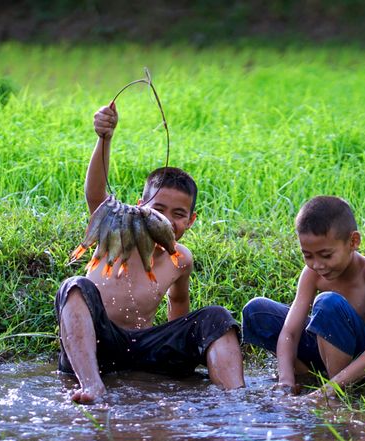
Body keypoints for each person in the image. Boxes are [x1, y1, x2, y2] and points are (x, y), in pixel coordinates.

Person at [56, 102, 245, 403]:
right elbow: (95, 194)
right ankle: (91, 384)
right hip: (99, 345)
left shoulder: (180, 258)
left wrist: (179, 343)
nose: (167, 220)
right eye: (158, 209)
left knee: (216, 317)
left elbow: (179, 306)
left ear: (191, 220)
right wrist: (104, 138)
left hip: (143, 349)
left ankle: (235, 398)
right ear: (138, 207)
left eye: (178, 213)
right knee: (74, 286)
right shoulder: (120, 231)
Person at [242, 195, 365, 401]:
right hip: (332, 351)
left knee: (328, 303)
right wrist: (285, 381)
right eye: (308, 255)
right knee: (257, 311)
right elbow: (290, 332)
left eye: (326, 255)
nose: (318, 265)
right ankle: (310, 378)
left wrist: (328, 390)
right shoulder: (312, 274)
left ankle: (335, 392)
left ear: (353, 242)